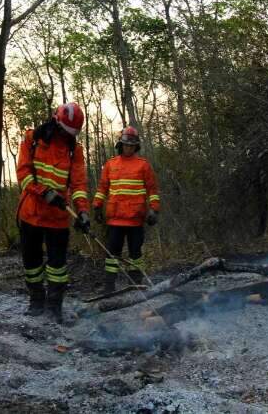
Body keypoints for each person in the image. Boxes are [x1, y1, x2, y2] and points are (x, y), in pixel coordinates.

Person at [16, 102, 91, 323]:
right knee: (32, 263)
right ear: (55, 122)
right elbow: (24, 174)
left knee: (58, 266)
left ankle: (54, 307)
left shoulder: (74, 150)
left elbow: (78, 184)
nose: (67, 136)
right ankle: (36, 302)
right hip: (31, 213)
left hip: (58, 218)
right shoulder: (32, 139)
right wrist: (43, 192)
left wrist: (83, 211)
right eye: (64, 131)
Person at [92, 126, 160, 293]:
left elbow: (153, 190)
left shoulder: (143, 166)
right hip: (115, 218)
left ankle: (136, 284)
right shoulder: (110, 164)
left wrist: (154, 210)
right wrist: (97, 206)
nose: (128, 148)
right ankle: (109, 286)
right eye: (125, 145)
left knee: (135, 253)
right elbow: (102, 188)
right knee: (112, 253)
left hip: (136, 218)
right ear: (120, 145)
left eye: (131, 145)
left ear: (136, 146)